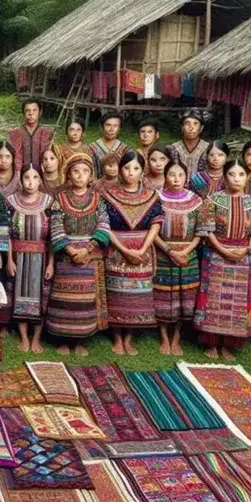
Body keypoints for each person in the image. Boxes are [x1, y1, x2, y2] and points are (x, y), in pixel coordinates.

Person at [195, 160, 251, 359]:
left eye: (241, 174)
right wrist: (223, 250)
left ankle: (228, 343)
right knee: (213, 298)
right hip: (216, 255)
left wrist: (247, 249)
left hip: (243, 258)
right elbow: (207, 230)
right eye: (232, 174)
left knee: (238, 301)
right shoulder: (212, 201)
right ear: (225, 177)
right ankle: (211, 343)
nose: (236, 178)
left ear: (246, 178)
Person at [102, 151, 164, 356]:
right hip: (117, 250)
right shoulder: (108, 195)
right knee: (117, 294)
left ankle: (129, 338)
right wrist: (124, 249)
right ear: (120, 170)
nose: (131, 172)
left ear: (142, 171)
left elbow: (156, 223)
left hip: (142, 251)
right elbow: (104, 225)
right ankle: (117, 338)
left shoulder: (152, 195)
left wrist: (143, 249)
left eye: (136, 168)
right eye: (127, 168)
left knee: (138, 296)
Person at [48, 153, 110, 356]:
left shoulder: (97, 199)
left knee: (85, 300)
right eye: (75, 171)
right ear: (68, 174)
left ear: (91, 175)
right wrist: (70, 249)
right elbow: (55, 225)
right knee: (65, 299)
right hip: (67, 257)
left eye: (84, 171)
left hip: (89, 258)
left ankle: (81, 340)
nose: (80, 175)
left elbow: (103, 224)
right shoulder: (60, 199)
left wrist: (87, 248)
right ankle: (63, 339)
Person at [154, 160, 202, 356]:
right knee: (164, 295)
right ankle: (164, 336)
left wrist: (186, 251)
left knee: (185, 296)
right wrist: (170, 251)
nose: (176, 179)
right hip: (163, 253)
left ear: (186, 177)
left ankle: (177, 337)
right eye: (172, 174)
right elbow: (153, 230)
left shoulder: (196, 201)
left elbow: (201, 230)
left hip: (188, 254)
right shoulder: (156, 199)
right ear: (165, 176)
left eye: (180, 175)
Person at [7, 164, 54, 354]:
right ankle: (24, 337)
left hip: (41, 258)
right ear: (21, 180)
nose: (30, 182)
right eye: (27, 178)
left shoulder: (49, 202)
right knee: (19, 295)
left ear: (41, 180)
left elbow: (53, 236)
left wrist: (51, 263)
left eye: (35, 178)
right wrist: (9, 259)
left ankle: (36, 338)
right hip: (18, 257)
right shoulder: (11, 201)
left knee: (40, 297)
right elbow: (7, 234)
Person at [7, 99, 55, 171]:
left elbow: (50, 157)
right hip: (19, 174)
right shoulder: (14, 133)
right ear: (23, 113)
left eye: (34, 110)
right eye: (27, 111)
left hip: (41, 174)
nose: (31, 113)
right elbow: (9, 156)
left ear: (40, 113)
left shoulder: (47, 133)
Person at [169, 110, 209, 174]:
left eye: (195, 123)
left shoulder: (208, 148)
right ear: (182, 127)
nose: (191, 127)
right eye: (187, 123)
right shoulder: (173, 148)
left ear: (201, 128)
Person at [90, 112, 128, 177]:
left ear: (119, 129)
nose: (111, 129)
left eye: (115, 126)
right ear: (102, 127)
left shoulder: (125, 150)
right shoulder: (91, 148)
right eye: (108, 125)